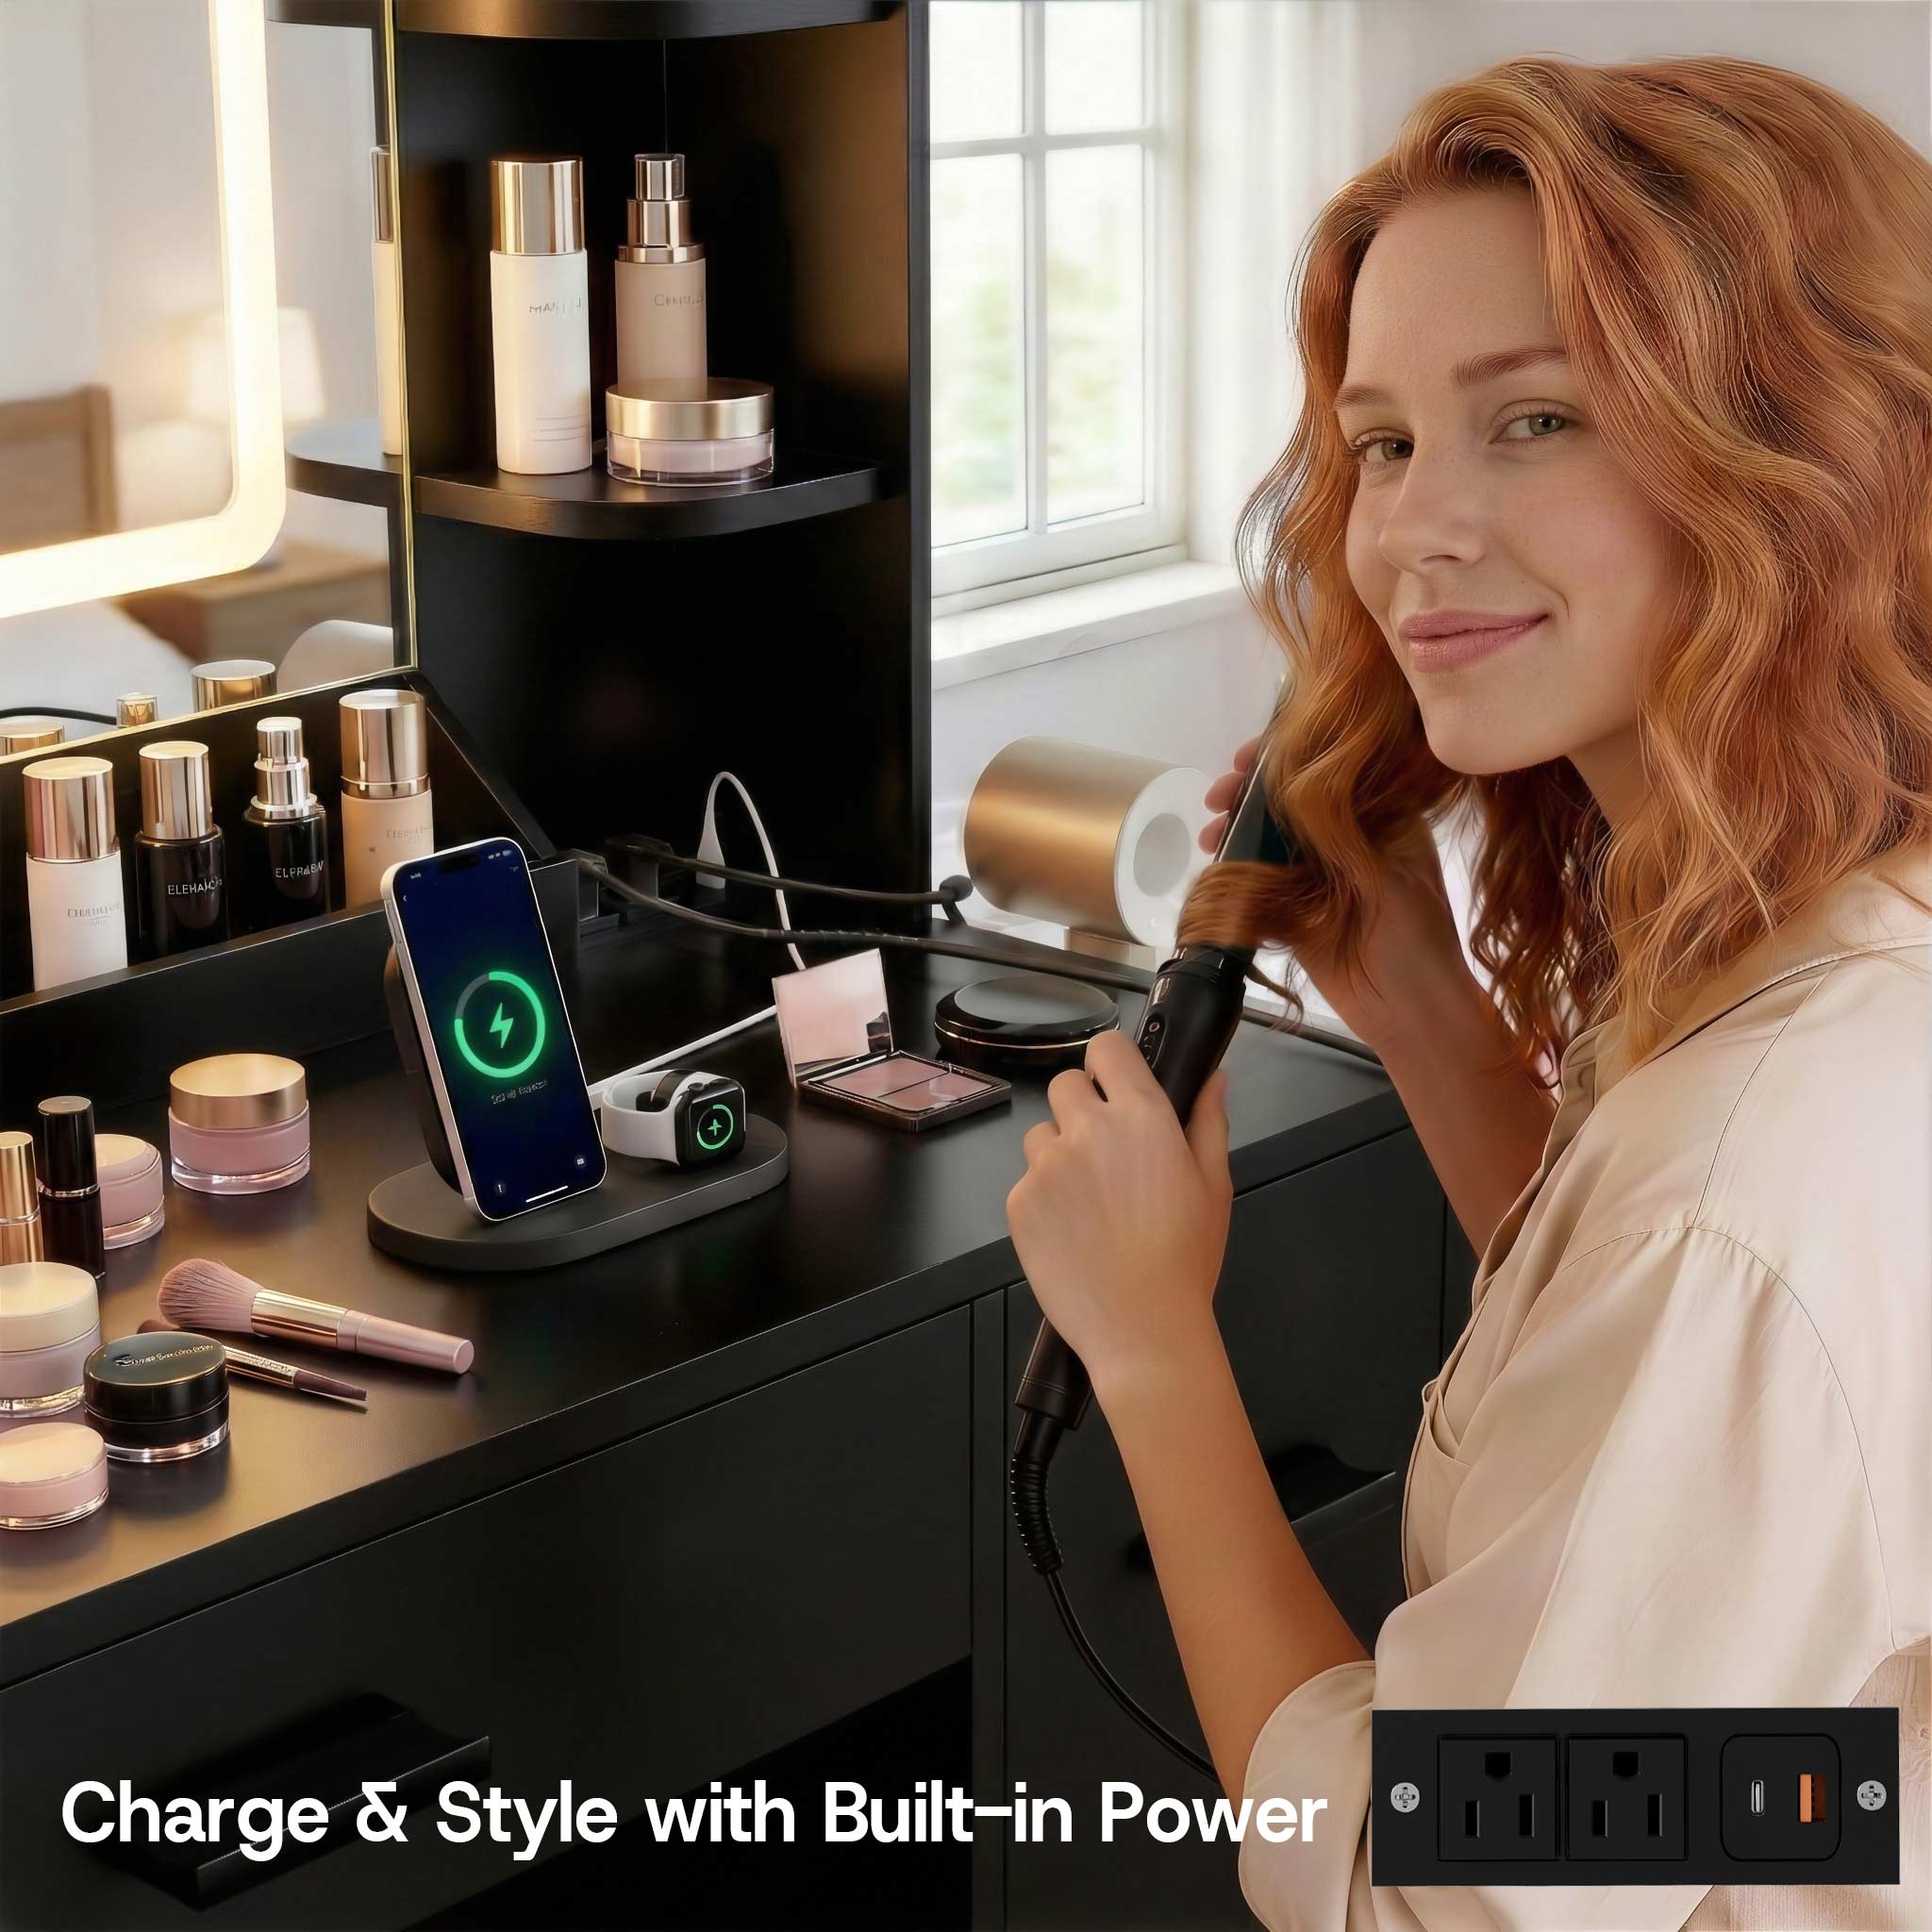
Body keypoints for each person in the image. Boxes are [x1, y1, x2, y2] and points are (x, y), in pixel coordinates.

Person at [1005, 53, 1931, 1931]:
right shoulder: (1831, 935)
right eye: (1383, 443)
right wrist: (1422, 1008)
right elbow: (1692, 1471)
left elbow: (1424, 1902)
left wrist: (1153, 1351)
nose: (1412, 531)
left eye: (1537, 420)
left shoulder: (1755, 1172)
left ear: (1806, 454)